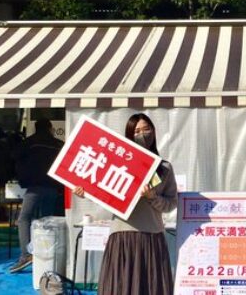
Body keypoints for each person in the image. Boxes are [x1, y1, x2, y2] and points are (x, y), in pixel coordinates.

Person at [73, 113, 177, 295]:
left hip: (151, 237)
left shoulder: (164, 168)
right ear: (129, 136)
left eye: (146, 129)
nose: (142, 135)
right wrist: (84, 192)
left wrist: (153, 196)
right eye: (136, 131)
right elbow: (101, 188)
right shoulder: (115, 164)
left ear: (154, 132)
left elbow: (171, 203)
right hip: (121, 236)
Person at [9, 118, 65, 273]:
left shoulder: (30, 142)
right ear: (50, 128)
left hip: (35, 187)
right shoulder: (58, 144)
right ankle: (46, 254)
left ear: (35, 128)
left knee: (23, 219)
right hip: (53, 187)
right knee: (46, 220)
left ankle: (26, 254)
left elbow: (14, 155)